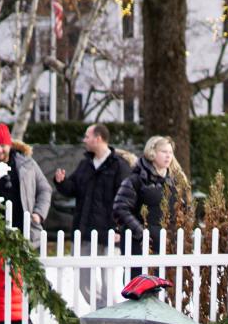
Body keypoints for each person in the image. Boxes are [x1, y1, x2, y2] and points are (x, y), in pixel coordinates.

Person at [53, 123, 135, 308]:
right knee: (83, 280)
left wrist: (119, 228)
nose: (84, 140)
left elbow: (127, 201)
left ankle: (110, 317)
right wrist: (61, 182)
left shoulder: (119, 167)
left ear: (98, 138)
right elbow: (72, 189)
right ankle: (101, 310)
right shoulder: (85, 164)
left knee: (108, 280)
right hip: (84, 231)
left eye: (87, 136)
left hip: (108, 234)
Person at [0, 123, 51, 324]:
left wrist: (38, 214)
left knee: (27, 278)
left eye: (2, 146)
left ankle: (25, 316)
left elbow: (45, 189)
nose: (0, 151)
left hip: (24, 230)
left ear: (9, 143)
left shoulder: (26, 163)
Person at [114, 135, 186, 264]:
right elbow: (120, 208)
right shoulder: (135, 180)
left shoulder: (174, 183)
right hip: (138, 246)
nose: (168, 156)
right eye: (164, 152)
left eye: (170, 152)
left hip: (168, 246)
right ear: (152, 153)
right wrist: (141, 232)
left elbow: (182, 210)